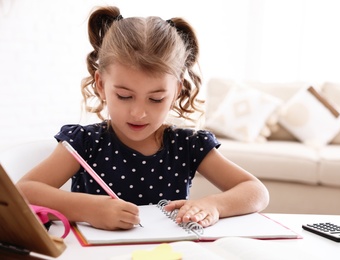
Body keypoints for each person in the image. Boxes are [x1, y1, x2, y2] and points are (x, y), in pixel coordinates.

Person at [17, 6, 269, 231]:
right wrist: (88, 208)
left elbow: (256, 192)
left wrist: (213, 205)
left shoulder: (188, 145)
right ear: (101, 84)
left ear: (176, 91)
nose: (139, 113)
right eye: (125, 96)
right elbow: (24, 191)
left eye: (156, 99)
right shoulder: (85, 143)